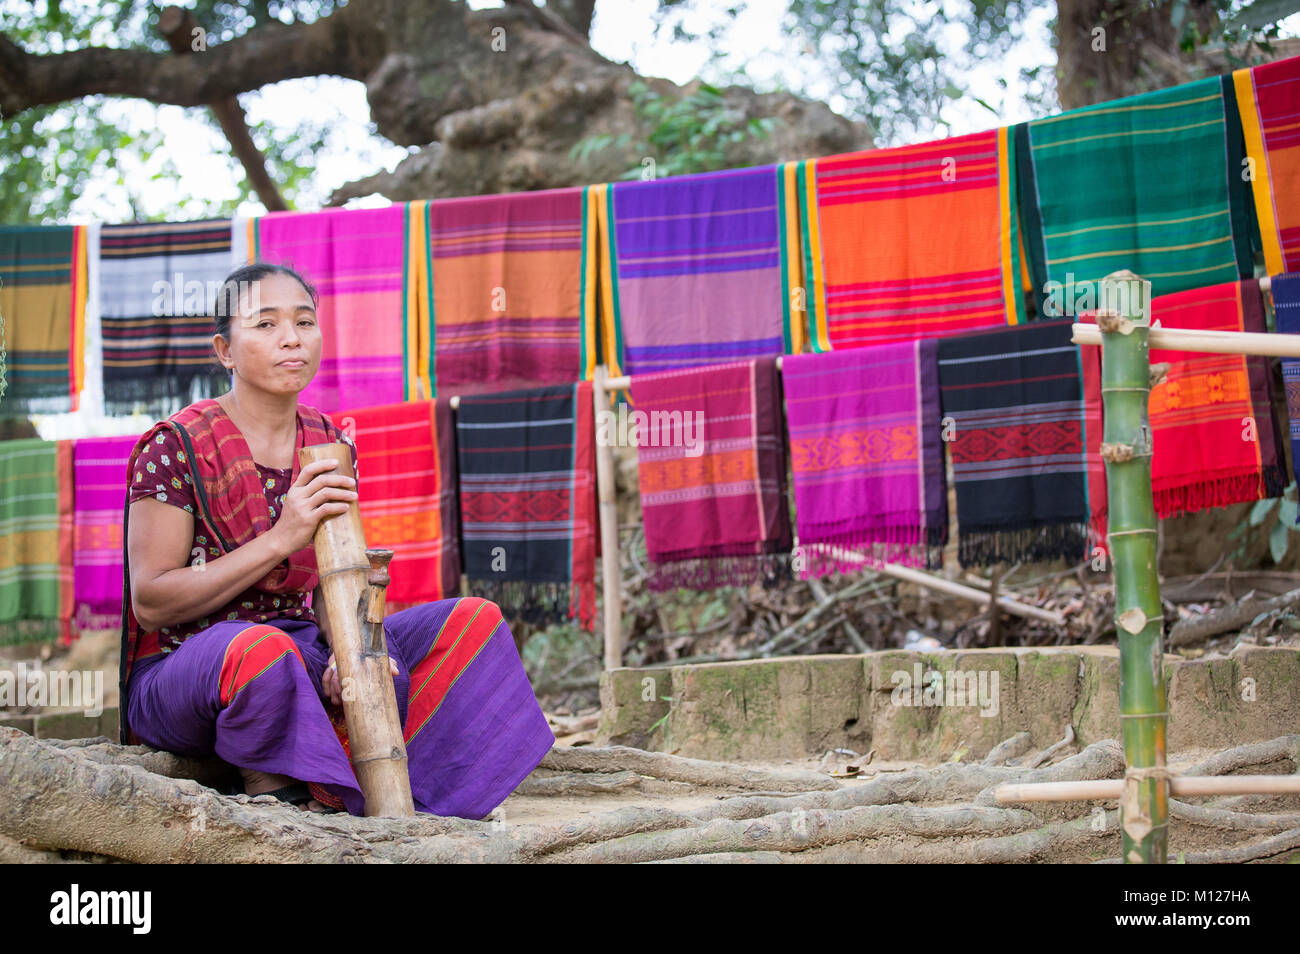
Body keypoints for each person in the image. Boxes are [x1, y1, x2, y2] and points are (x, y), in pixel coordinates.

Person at [118, 262, 554, 816]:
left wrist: (345, 646)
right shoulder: (175, 446)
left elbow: (336, 575)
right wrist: (281, 538)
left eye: (304, 321)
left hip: (299, 644)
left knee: (469, 622)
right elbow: (151, 600)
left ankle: (379, 785)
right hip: (188, 671)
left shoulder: (327, 442)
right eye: (266, 324)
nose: (291, 338)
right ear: (225, 350)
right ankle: (282, 784)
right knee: (263, 654)